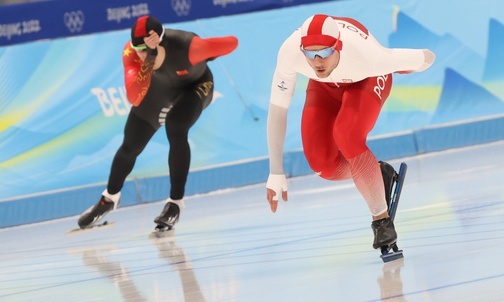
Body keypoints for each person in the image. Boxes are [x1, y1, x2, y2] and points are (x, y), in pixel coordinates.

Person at [265, 14, 435, 250]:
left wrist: (409, 64)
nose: (316, 61)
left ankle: (381, 221)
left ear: (339, 46)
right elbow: (277, 111)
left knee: (346, 134)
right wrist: (275, 171)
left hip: (366, 78)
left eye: (324, 52)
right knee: (323, 165)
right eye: (310, 53)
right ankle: (377, 174)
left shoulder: (368, 57)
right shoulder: (290, 53)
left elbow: (428, 56)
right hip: (324, 86)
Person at [78, 15, 238, 230]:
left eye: (146, 50)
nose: (141, 55)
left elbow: (232, 42)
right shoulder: (132, 53)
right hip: (158, 90)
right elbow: (134, 97)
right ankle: (109, 198)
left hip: (195, 86)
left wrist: (210, 54)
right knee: (131, 145)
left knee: (176, 127)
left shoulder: (189, 46)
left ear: (161, 42)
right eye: (139, 50)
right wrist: (150, 57)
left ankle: (175, 203)